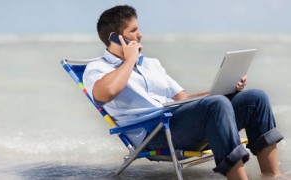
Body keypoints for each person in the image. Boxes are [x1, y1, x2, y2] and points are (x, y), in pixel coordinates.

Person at [83, 5, 284, 179]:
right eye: (133, 30)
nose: (140, 34)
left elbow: (184, 99)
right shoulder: (97, 69)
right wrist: (129, 61)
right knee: (217, 104)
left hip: (178, 123)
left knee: (255, 98)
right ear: (115, 38)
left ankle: (272, 175)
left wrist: (226, 89)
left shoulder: (151, 64)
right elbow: (105, 94)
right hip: (155, 134)